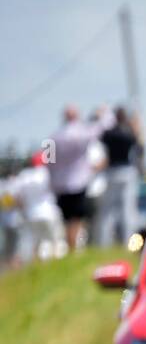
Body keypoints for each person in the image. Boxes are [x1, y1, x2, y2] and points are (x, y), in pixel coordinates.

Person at [47, 104, 113, 251]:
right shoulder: (82, 133)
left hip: (61, 184)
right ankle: (73, 247)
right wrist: (104, 113)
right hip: (78, 182)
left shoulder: (53, 137)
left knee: (67, 220)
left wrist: (53, 180)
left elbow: (48, 161)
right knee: (77, 219)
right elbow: (103, 127)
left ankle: (71, 245)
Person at [95, 107, 142, 245]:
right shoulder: (128, 133)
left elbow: (99, 137)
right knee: (127, 209)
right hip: (127, 171)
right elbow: (138, 145)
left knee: (108, 211)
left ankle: (104, 242)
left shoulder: (109, 133)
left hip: (112, 172)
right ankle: (129, 241)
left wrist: (101, 118)